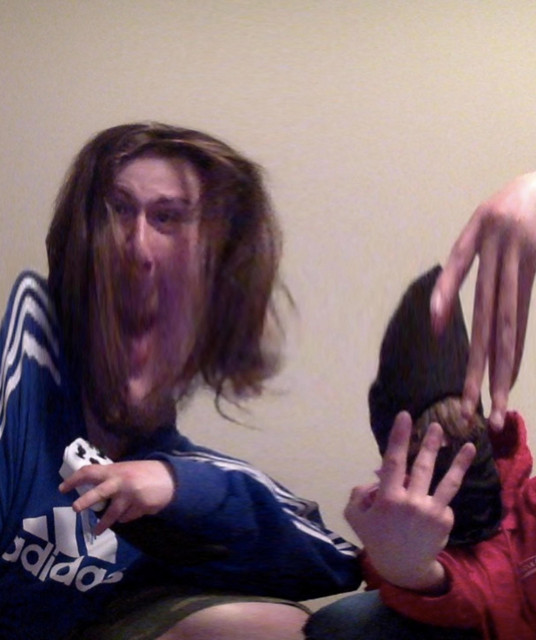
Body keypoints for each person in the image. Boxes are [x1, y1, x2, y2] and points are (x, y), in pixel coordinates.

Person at [0, 122, 361, 640]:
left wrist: (177, 486)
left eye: (168, 218)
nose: (138, 248)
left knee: (270, 626)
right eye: (117, 210)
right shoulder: (19, 384)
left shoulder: (168, 473)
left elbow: (334, 561)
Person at [304, 171, 536, 639]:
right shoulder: (405, 547)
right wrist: (409, 570)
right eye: (421, 439)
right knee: (352, 622)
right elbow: (474, 602)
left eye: (457, 423)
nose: (442, 441)